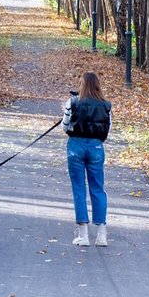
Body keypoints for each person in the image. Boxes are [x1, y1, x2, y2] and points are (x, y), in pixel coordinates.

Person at [62, 72, 111, 246]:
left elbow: (65, 125)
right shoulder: (106, 105)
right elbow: (107, 128)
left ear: (82, 85)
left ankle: (83, 235)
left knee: (79, 188)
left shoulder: (73, 102)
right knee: (98, 188)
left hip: (76, 145)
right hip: (96, 147)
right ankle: (101, 234)